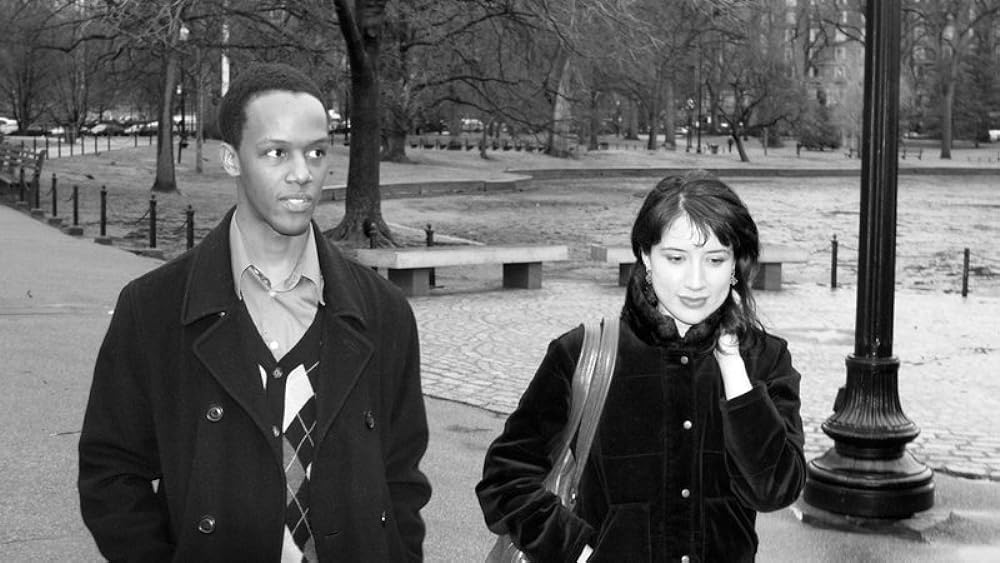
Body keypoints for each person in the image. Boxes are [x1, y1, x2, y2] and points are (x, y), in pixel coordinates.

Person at [78, 63, 431, 562]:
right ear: (231, 159)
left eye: (316, 152)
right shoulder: (154, 309)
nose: (302, 173)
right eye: (276, 152)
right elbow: (112, 473)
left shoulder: (384, 313)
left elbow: (402, 476)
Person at [477, 172, 805, 562]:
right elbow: (506, 477)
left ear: (735, 264)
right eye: (676, 258)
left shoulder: (765, 359)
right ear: (647, 257)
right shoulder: (582, 352)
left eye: (715, 260)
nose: (696, 281)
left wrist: (733, 365)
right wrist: (577, 551)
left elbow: (774, 490)